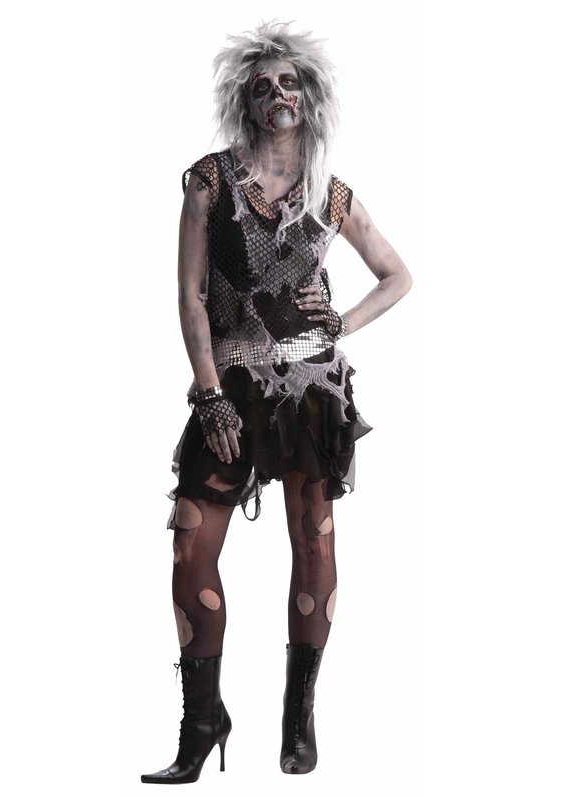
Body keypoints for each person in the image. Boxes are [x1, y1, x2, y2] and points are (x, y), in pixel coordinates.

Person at [141, 19, 412, 784]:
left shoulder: (330, 189)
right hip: (229, 386)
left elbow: (398, 273)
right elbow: (191, 297)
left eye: (290, 82)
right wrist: (206, 391)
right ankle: (202, 721)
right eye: (263, 85)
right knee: (190, 542)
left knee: (314, 543)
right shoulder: (210, 181)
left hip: (310, 391)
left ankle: (299, 716)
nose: (278, 94)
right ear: (245, 100)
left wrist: (343, 322)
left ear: (309, 96)